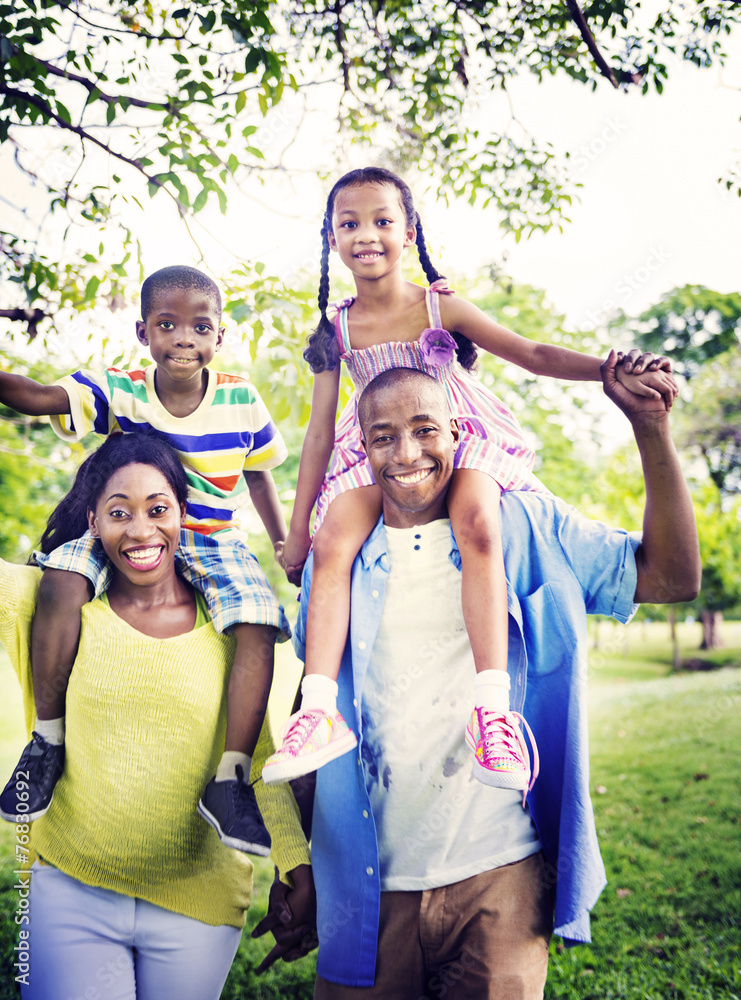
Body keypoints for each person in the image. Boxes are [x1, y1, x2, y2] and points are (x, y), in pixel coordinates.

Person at [291, 362, 699, 997]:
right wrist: (302, 860)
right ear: (362, 447)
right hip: (367, 888)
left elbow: (673, 576)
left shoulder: (526, 528)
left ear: (458, 433)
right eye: (384, 438)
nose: (408, 455)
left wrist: (650, 429)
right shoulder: (336, 559)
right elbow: (315, 699)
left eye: (427, 430)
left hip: (500, 875)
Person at [264, 165, 677, 791]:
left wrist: (608, 369)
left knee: (480, 524)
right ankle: (319, 708)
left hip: (455, 436)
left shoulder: (438, 304)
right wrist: (298, 533)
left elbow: (532, 354)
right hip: (376, 444)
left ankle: (492, 710)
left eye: (382, 220)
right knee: (333, 547)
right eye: (349, 224)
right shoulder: (336, 330)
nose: (366, 234)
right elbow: (320, 433)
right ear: (331, 238)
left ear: (409, 232)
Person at [0, 434, 313, 1000]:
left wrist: (298, 869)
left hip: (199, 902)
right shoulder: (56, 608)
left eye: (158, 510)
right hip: (71, 886)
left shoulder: (231, 630)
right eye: (119, 513)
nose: (141, 531)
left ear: (183, 515)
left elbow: (261, 760)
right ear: (94, 519)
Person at [0, 265, 289, 853]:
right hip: (130, 527)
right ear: (143, 332)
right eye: (167, 324)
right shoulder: (123, 388)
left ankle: (230, 779)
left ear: (219, 336)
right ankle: (47, 741)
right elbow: (40, 398)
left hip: (211, 536)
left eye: (199, 326)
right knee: (62, 575)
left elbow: (259, 472)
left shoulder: (240, 397)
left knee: (259, 618)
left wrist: (284, 543)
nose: (184, 337)